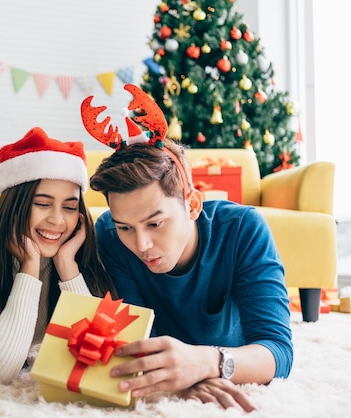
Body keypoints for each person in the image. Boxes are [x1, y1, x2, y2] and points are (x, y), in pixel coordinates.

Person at [82, 84, 293, 412]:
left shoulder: (243, 229)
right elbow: (135, 337)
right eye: (126, 226)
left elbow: (278, 352)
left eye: (155, 223)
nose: (141, 245)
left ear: (192, 205)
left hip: (226, 361)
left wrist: (207, 362)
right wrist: (182, 373)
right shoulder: (109, 235)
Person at [0, 126, 116, 384]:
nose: (58, 220)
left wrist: (66, 265)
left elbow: (97, 356)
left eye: (70, 207)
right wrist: (29, 266)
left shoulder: (77, 250)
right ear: (14, 206)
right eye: (42, 204)